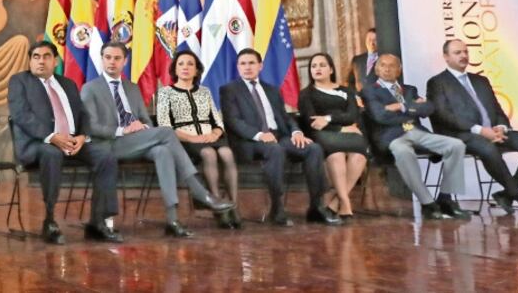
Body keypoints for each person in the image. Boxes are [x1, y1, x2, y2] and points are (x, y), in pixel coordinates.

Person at [80, 42, 234, 238]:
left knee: (163, 151)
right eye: (108, 57)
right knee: (167, 133)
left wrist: (141, 127)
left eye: (117, 58)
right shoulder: (90, 88)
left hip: (138, 141)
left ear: (125, 61)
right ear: (102, 59)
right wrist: (123, 130)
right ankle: (199, 192)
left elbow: (146, 120)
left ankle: (173, 220)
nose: (112, 62)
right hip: (109, 144)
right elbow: (91, 127)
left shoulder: (132, 88)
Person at [7, 41, 121, 243]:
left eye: (46, 56)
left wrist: (82, 136)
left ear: (55, 61)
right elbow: (21, 115)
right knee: (51, 152)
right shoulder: (19, 81)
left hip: (72, 142)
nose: (41, 61)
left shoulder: (67, 84)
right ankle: (50, 220)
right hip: (38, 143)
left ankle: (99, 221)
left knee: (105, 155)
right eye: (36, 57)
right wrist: (52, 136)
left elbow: (83, 115)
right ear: (30, 61)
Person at [427, 39, 518, 215]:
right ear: (446, 57)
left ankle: (507, 194)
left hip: (494, 133)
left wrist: (501, 127)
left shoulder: (481, 80)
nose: (464, 55)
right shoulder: (437, 82)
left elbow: (497, 109)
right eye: (458, 53)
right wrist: (480, 130)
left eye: (465, 52)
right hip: (463, 135)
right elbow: (443, 115)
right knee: (487, 148)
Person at [220, 48, 341, 227]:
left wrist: (296, 132)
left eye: (251, 63)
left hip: (279, 136)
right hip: (250, 141)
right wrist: (260, 135)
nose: (247, 67)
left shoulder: (272, 90)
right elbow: (233, 121)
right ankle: (277, 208)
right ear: (238, 67)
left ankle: (316, 207)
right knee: (274, 150)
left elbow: (285, 117)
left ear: (260, 66)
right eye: (243, 64)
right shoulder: (229, 90)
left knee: (313, 149)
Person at [361, 53, 471, 220]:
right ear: (376, 69)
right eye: (383, 65)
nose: (387, 69)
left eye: (392, 65)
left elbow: (428, 108)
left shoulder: (409, 90)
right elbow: (379, 116)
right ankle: (427, 203)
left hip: (417, 132)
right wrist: (412, 108)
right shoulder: (369, 91)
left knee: (456, 145)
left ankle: (445, 199)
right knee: (403, 152)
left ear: (399, 70)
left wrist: (401, 106)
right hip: (391, 137)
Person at [154, 50, 241, 229]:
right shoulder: (165, 93)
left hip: (210, 136)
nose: (185, 67)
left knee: (226, 152)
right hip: (183, 140)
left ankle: (233, 206)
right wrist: (193, 138)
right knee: (209, 154)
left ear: (197, 70)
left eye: (190, 64)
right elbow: (165, 126)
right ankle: (218, 207)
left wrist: (215, 133)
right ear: (175, 69)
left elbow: (217, 120)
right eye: (181, 64)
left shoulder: (204, 92)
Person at [298, 52, 368, 218]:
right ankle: (345, 202)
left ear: (331, 69)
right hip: (322, 134)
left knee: (359, 155)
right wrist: (341, 128)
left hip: (346, 131)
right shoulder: (306, 93)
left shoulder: (346, 91)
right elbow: (313, 121)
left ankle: (337, 202)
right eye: (314, 66)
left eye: (322, 65)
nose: (317, 69)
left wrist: (328, 119)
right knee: (336, 155)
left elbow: (352, 115)